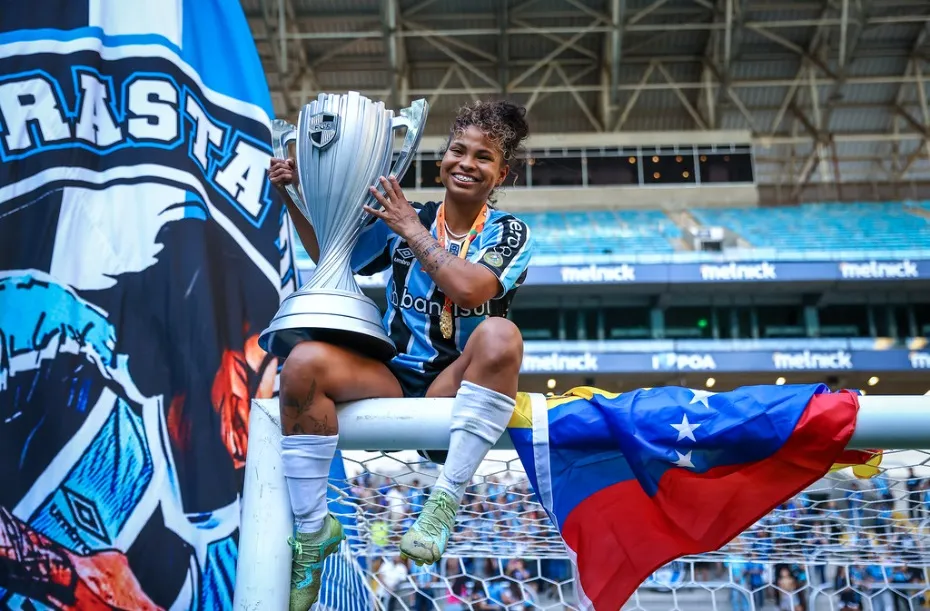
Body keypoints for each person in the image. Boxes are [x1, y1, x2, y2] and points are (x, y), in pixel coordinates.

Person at [267, 99, 534, 610]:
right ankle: (312, 534)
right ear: (441, 159)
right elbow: (332, 252)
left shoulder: (508, 232)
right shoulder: (408, 218)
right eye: (458, 150)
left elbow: (471, 292)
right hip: (391, 375)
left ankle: (444, 502)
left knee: (501, 334)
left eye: (483, 157)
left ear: (503, 173)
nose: (466, 163)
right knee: (301, 364)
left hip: (457, 386)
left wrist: (411, 229)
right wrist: (291, 196)